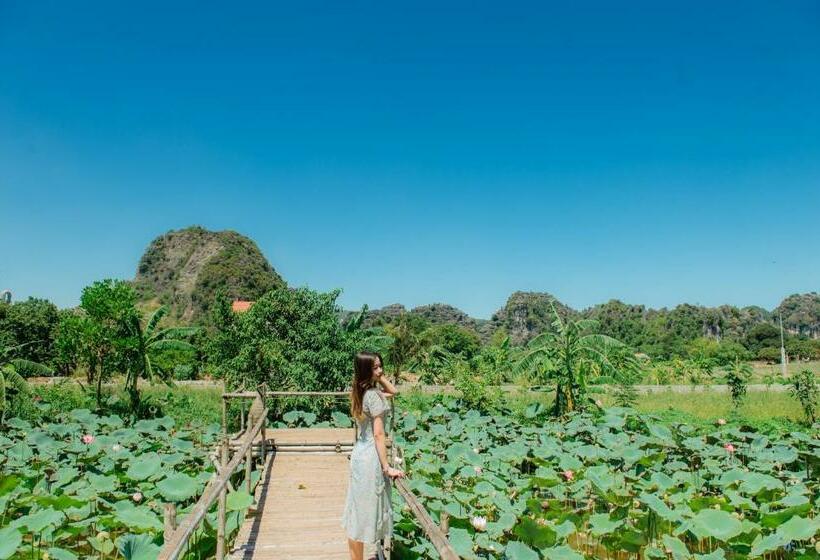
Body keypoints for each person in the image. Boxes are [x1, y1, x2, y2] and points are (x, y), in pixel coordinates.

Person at [342, 351, 405, 560]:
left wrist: (379, 377)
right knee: (362, 515)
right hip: (370, 456)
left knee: (356, 514)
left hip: (359, 452)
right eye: (376, 368)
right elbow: (379, 434)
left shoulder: (360, 391)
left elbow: (393, 391)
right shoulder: (374, 396)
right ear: (366, 370)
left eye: (381, 366)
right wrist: (387, 467)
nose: (381, 371)